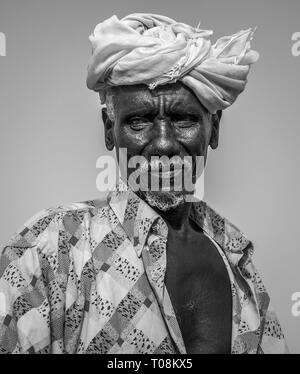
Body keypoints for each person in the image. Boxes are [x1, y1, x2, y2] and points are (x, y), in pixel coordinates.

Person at [0, 13, 288, 354]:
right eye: (139, 120)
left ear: (215, 129)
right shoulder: (51, 248)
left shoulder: (237, 257)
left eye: (184, 120)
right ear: (110, 129)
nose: (164, 143)